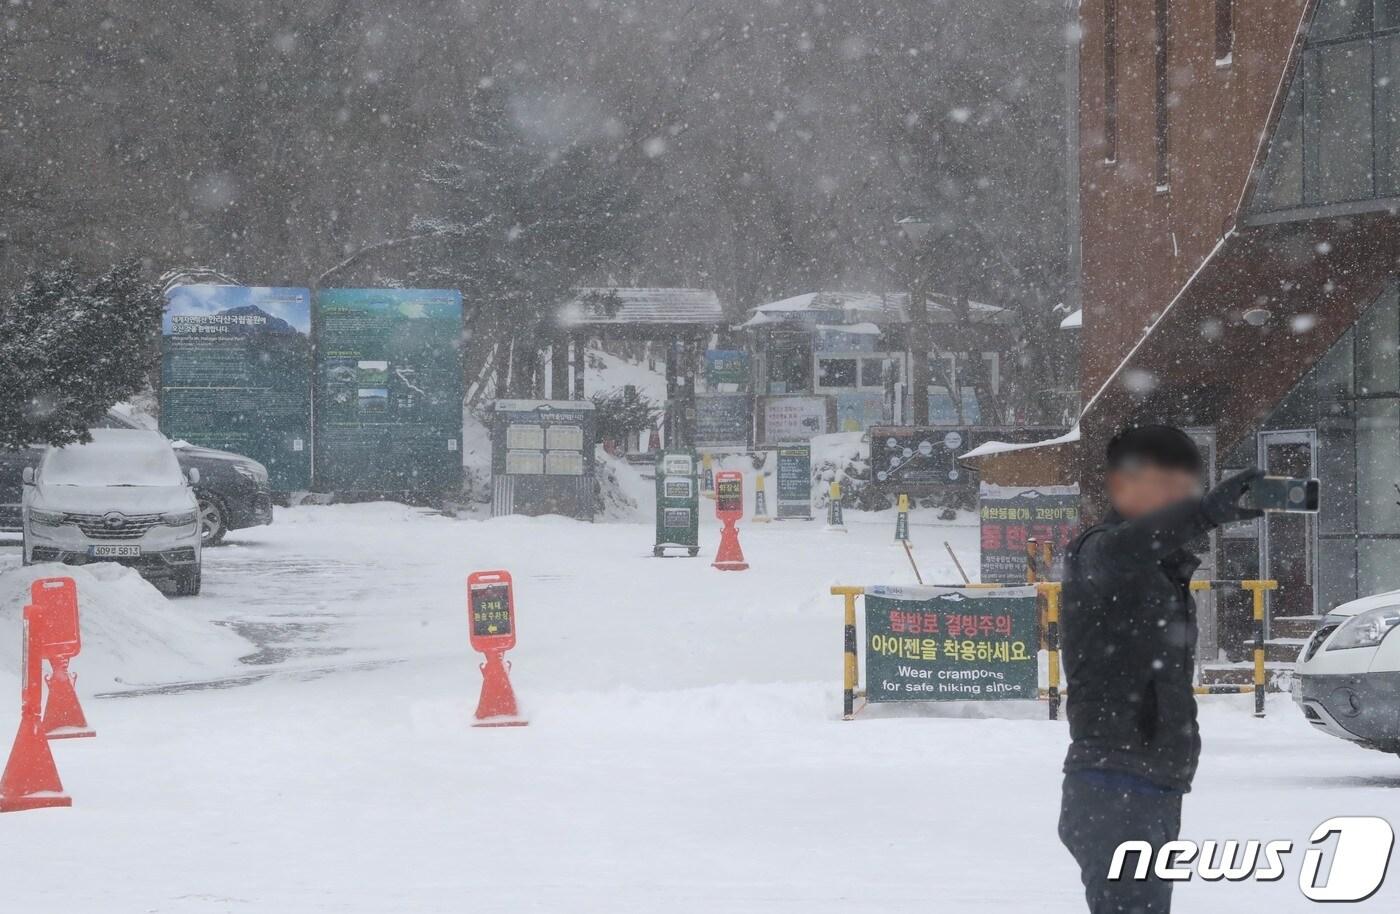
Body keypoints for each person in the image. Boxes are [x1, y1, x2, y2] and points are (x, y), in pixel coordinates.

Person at [1058, 425, 1264, 913]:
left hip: (1153, 785)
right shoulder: (1096, 552)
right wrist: (1205, 513)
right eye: (1168, 484)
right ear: (1122, 483)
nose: (1181, 498)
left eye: (1188, 486)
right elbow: (1125, 548)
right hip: (1113, 784)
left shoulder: (1163, 569)